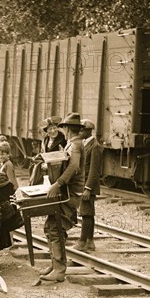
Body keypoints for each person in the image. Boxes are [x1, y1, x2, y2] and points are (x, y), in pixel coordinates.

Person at [40, 112, 85, 282]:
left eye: (64, 128)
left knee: (55, 228)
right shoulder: (72, 144)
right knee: (51, 226)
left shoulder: (74, 146)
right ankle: (55, 264)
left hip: (70, 194)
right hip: (66, 192)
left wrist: (56, 184)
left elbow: (73, 167)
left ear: (68, 130)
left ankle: (59, 270)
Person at [74, 119, 103, 252]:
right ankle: (90, 242)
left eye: (81, 130)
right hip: (85, 185)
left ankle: (82, 242)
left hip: (88, 186)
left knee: (86, 213)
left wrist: (88, 188)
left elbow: (94, 170)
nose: (79, 132)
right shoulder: (87, 144)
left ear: (88, 131)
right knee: (88, 213)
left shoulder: (95, 146)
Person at [29, 116, 67, 185]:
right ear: (46, 131)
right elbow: (43, 153)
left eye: (54, 128)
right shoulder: (45, 139)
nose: (53, 131)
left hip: (58, 171)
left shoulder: (63, 139)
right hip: (46, 170)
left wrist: (49, 165)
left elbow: (63, 157)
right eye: (50, 129)